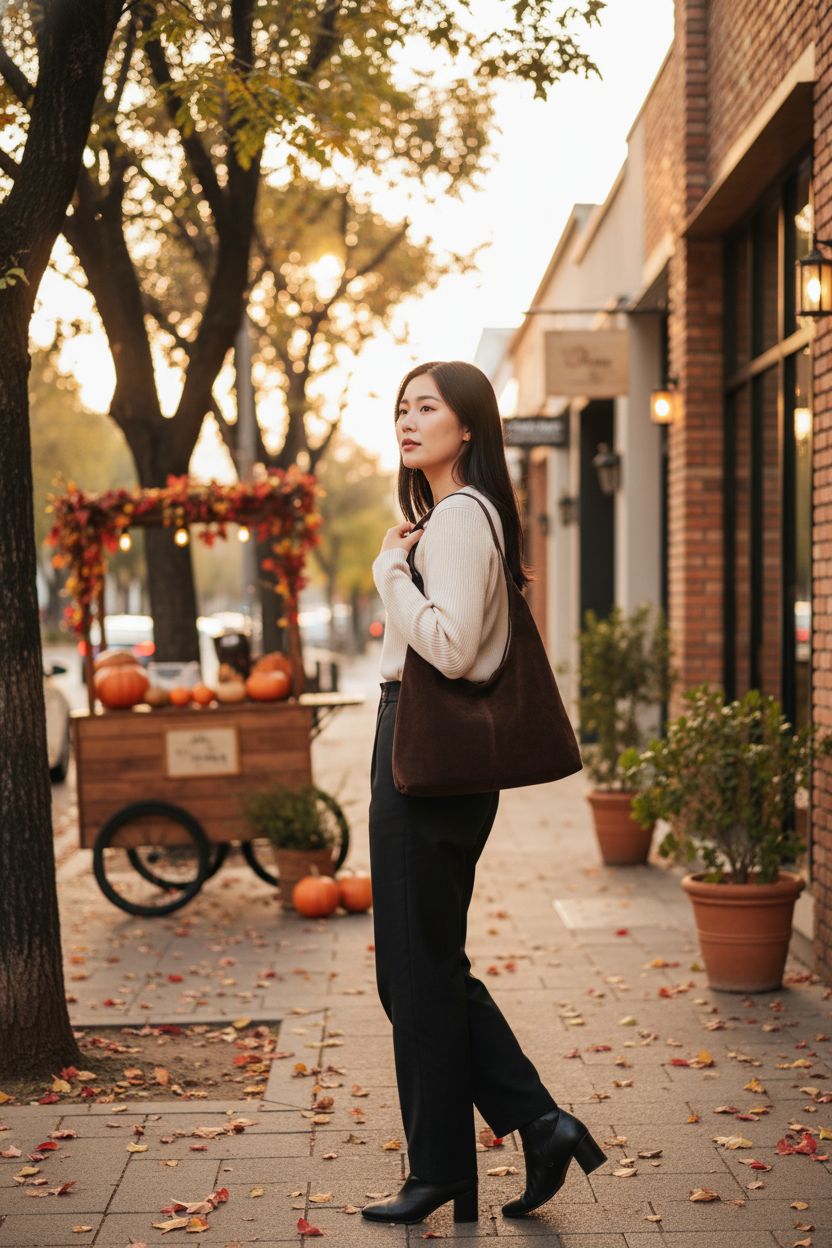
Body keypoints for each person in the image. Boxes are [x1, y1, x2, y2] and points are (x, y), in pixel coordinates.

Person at [362, 360, 606, 1227]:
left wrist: (392, 572)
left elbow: (455, 650)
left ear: (468, 427)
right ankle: (526, 1131)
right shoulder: (454, 518)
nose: (409, 418)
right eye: (401, 407)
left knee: (413, 971)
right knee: (425, 966)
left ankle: (469, 1154)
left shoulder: (458, 520)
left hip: (424, 755)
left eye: (428, 406)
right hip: (431, 760)